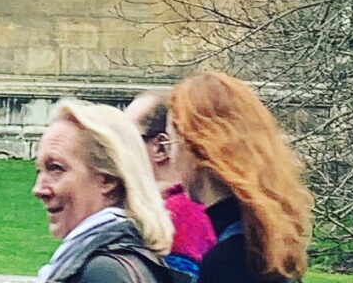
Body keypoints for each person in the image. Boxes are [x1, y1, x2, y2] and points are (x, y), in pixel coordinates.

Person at [166, 71, 314, 283]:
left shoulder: (228, 261)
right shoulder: (265, 242)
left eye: (170, 142)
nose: (170, 158)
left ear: (194, 147)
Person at [32, 98, 175, 283]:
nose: (38, 190)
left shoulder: (102, 272)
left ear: (108, 180)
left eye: (56, 168)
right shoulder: (127, 259)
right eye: (39, 170)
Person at [127, 92, 219, 281]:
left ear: (161, 147)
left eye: (126, 140)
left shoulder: (174, 217)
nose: (117, 151)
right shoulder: (206, 207)